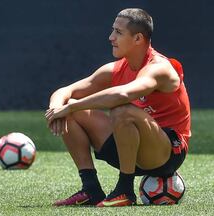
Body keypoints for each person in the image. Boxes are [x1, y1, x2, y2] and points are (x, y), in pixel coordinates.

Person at [45, 8, 191, 207]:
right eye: (113, 30)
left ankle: (124, 190)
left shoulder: (159, 68)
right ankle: (91, 190)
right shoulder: (117, 69)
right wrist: (57, 109)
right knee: (71, 109)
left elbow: (123, 95)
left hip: (166, 154)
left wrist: (69, 107)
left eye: (118, 32)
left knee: (122, 110)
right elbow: (65, 91)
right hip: (130, 148)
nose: (111, 37)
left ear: (138, 38)